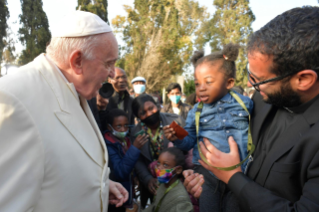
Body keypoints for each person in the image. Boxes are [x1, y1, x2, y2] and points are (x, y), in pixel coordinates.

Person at [185, 6, 319, 212]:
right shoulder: (261, 98)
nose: (249, 85)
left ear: (303, 79)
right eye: (250, 74)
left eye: (259, 80)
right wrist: (205, 175)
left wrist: (233, 177)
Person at [0, 11, 128, 211]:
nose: (112, 74)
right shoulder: (11, 99)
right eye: (108, 63)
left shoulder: (74, 89)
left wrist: (99, 187)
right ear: (77, 61)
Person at [164, 43, 253, 212]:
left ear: (229, 82)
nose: (201, 88)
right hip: (206, 176)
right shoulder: (195, 112)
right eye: (197, 84)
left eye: (208, 82)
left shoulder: (245, 104)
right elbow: (189, 141)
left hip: (238, 174)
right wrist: (177, 137)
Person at [131, 94, 185, 209]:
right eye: (143, 113)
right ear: (138, 117)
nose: (149, 114)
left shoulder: (175, 121)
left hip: (176, 181)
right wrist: (148, 179)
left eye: (151, 108)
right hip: (151, 186)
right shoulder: (135, 132)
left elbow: (187, 148)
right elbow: (138, 160)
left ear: (157, 105)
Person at [104, 109, 149, 212]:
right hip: (115, 196)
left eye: (126, 126)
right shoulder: (108, 145)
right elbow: (120, 172)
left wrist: (135, 176)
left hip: (127, 191)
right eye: (118, 126)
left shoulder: (126, 140)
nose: (123, 129)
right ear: (109, 127)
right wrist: (135, 148)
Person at [143, 147, 193, 212]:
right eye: (158, 163)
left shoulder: (181, 201)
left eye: (165, 165)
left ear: (178, 170)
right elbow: (154, 206)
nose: (159, 167)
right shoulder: (161, 184)